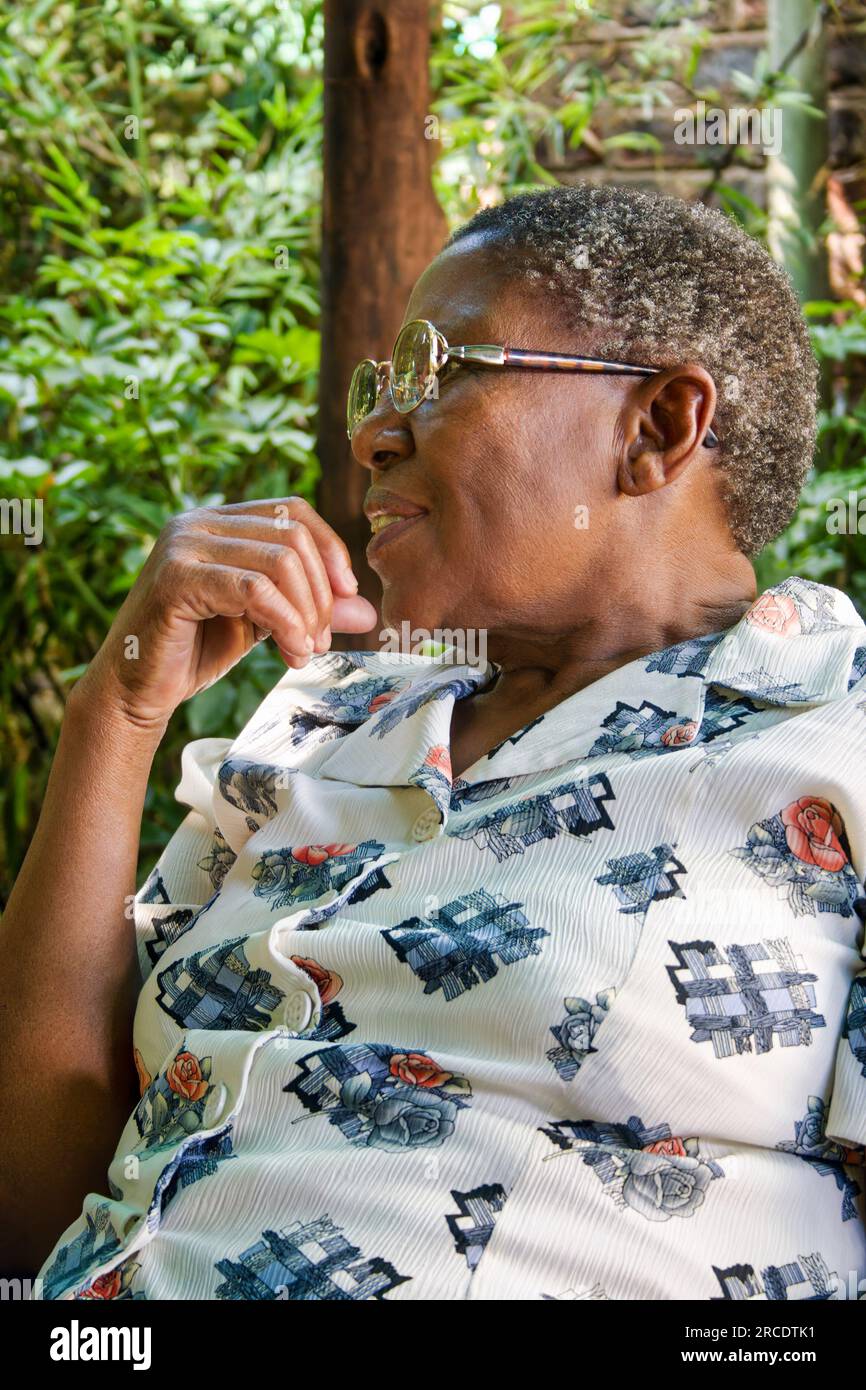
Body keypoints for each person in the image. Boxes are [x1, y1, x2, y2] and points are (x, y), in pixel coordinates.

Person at [3, 184, 865, 1301]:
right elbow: (31, 1203)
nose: (371, 433)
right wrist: (113, 716)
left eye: (442, 371)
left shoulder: (828, 740)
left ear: (654, 429)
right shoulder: (321, 722)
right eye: (380, 386)